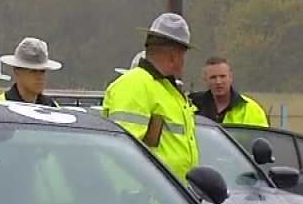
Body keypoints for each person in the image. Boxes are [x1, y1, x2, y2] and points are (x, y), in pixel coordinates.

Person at [102, 12, 199, 179]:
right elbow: (121, 153)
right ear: (173, 56)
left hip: (172, 196)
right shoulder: (134, 85)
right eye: (183, 54)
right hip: (145, 198)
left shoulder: (167, 88)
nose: (184, 60)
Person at [190, 56, 269, 127]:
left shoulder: (251, 109)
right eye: (213, 77)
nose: (218, 82)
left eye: (222, 76)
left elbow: (263, 137)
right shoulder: (192, 106)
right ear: (205, 80)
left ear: (230, 77)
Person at [0, 37, 61, 106]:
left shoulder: (52, 107)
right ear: (16, 72)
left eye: (42, 71)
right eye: (33, 71)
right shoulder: (0, 105)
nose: (40, 77)